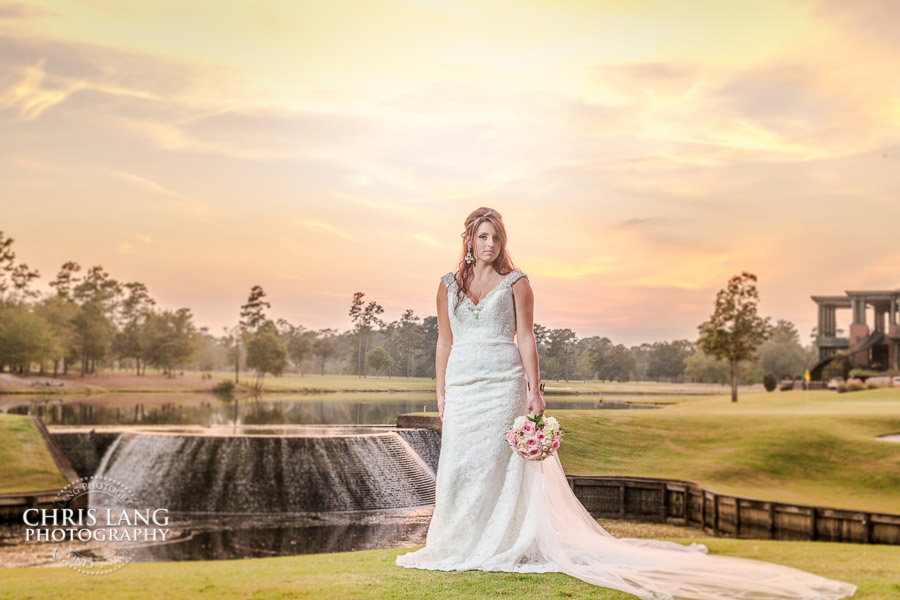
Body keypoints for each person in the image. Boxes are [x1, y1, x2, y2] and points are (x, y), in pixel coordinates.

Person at [395, 207, 857, 600]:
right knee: (460, 464)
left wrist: (535, 389)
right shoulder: (447, 285)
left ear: (503, 241)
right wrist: (439, 391)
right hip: (462, 383)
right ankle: (457, 542)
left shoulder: (516, 282)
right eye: (482, 236)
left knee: (498, 465)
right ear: (469, 240)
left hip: (503, 382)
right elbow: (443, 341)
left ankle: (501, 542)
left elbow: (526, 337)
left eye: (496, 236)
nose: (489, 243)